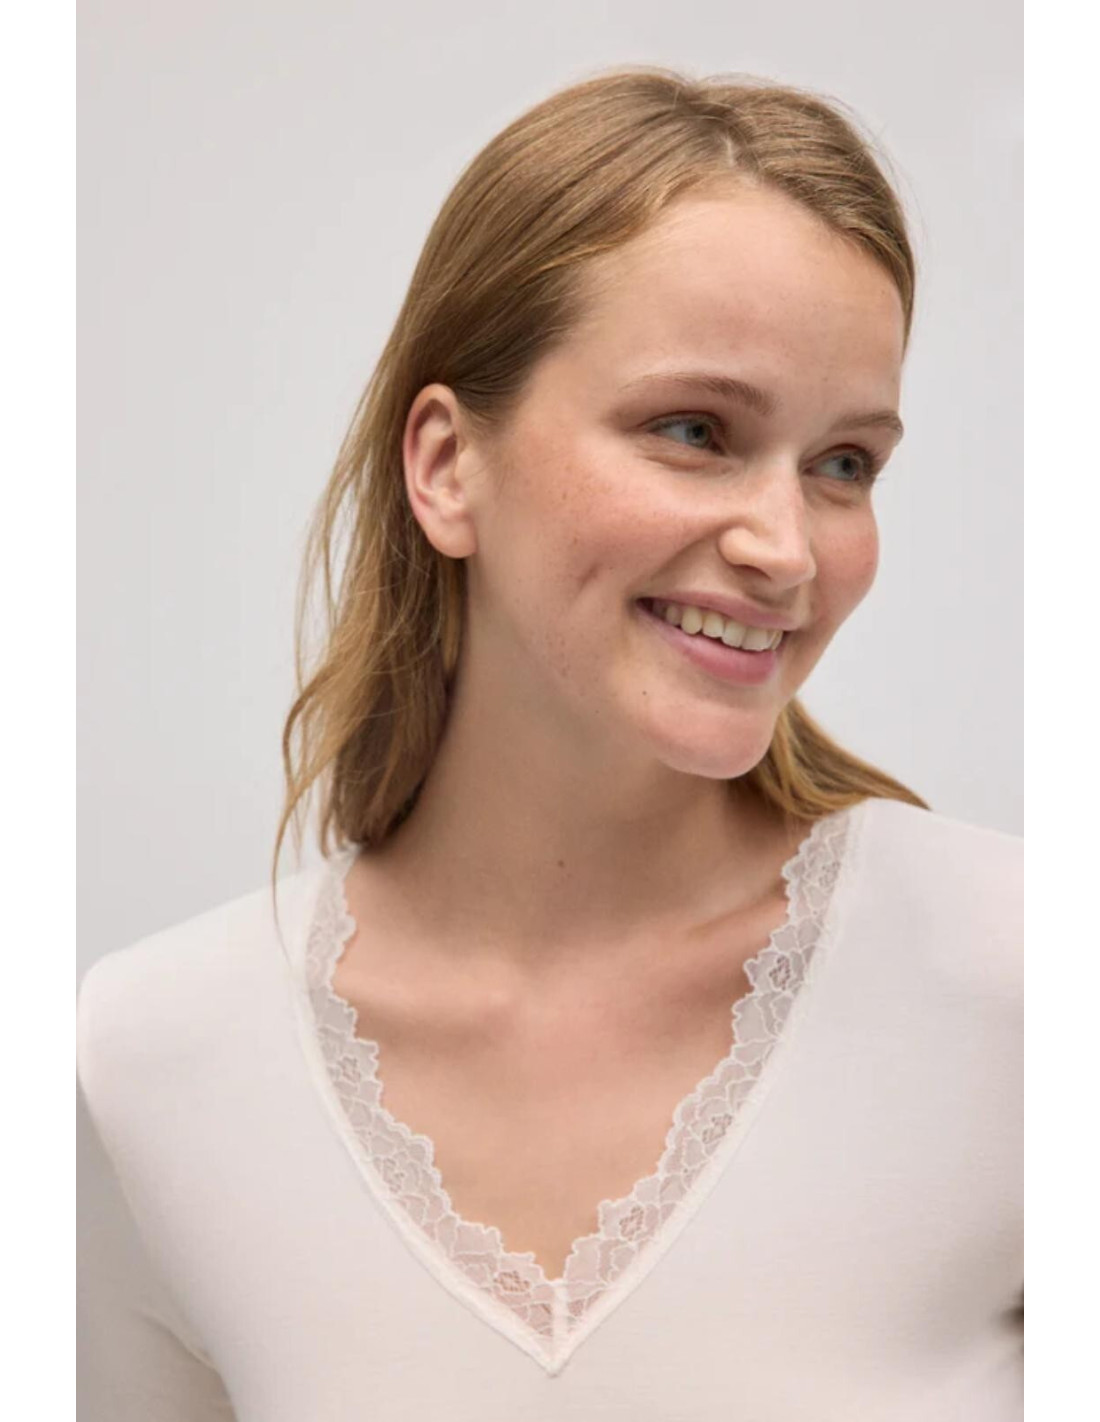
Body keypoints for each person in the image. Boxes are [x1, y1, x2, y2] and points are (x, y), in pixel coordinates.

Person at [76, 65, 1023, 1419]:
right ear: (445, 466)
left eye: (845, 463)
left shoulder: (1024, 988)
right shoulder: (147, 1066)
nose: (787, 547)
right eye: (695, 430)